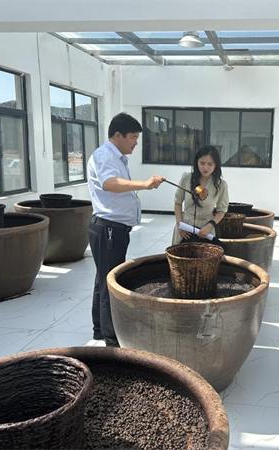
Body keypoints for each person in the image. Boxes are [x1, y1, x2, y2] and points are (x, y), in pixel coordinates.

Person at [87, 112, 165, 347]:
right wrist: (145, 184)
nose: (136, 143)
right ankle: (112, 342)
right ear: (118, 135)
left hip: (112, 229)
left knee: (103, 278)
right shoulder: (105, 155)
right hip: (108, 229)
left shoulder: (117, 157)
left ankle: (99, 329)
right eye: (133, 137)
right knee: (110, 283)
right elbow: (109, 183)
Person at [173, 145, 229, 244]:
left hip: (206, 228)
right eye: (202, 163)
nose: (205, 168)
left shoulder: (221, 185)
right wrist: (179, 224)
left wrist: (209, 226)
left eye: (210, 164)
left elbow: (222, 210)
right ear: (196, 162)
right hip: (185, 227)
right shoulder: (187, 178)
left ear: (216, 165)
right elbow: (178, 202)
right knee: (181, 252)